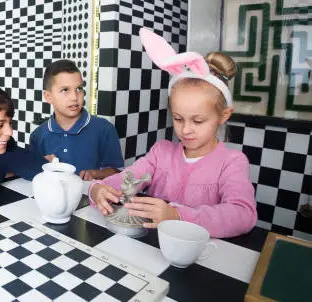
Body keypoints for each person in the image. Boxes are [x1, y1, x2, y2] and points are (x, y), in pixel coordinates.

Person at [89, 29, 257, 238]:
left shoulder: (231, 162)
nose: (185, 129)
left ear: (223, 115)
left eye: (198, 120)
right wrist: (97, 189)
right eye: (178, 118)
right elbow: (126, 181)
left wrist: (177, 215)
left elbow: (243, 215)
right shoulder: (161, 152)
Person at [29, 60, 123, 180]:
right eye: (65, 90)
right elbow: (34, 175)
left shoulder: (104, 129)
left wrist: (95, 174)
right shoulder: (37, 136)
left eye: (79, 89)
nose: (74, 97)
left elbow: (118, 172)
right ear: (48, 96)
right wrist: (42, 164)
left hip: (90, 197)